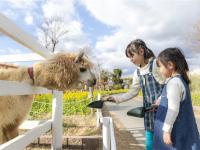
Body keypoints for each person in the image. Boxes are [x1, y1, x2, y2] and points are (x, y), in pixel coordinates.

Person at [103, 39, 165, 150]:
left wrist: (161, 99)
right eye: (129, 58)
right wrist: (117, 99)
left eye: (132, 56)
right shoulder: (137, 72)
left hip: (164, 111)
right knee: (150, 144)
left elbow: (169, 84)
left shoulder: (156, 65)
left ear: (141, 51)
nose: (131, 60)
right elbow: (133, 91)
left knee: (165, 141)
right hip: (149, 113)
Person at [153, 47, 200, 150]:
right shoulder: (179, 80)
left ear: (170, 65)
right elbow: (172, 97)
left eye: (160, 66)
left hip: (176, 131)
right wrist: (160, 100)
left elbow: (173, 109)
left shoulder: (174, 83)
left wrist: (166, 131)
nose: (159, 70)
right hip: (185, 129)